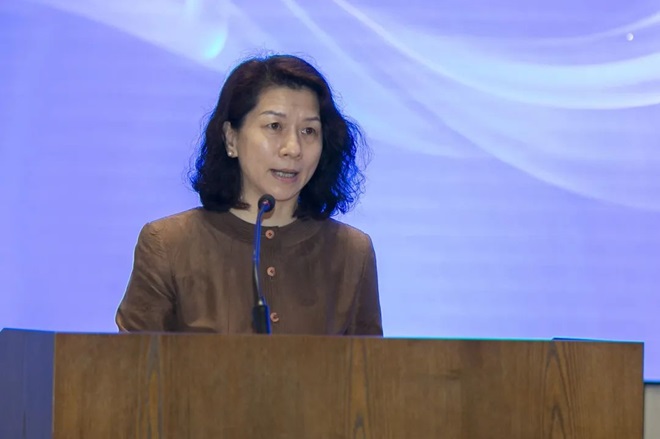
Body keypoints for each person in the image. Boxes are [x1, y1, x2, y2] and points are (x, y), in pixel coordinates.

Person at [115, 54, 382, 335]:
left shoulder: (352, 253)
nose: (293, 148)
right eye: (274, 126)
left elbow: (370, 363)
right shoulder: (168, 244)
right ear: (231, 138)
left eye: (309, 131)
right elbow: (133, 362)